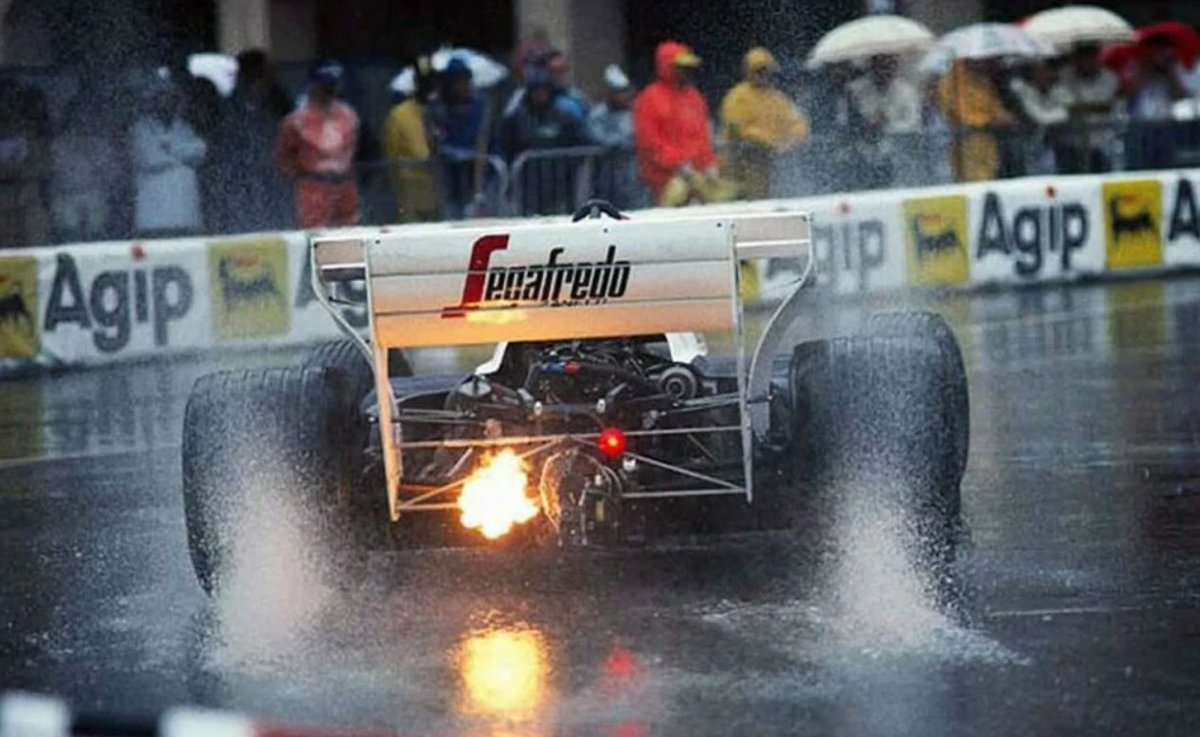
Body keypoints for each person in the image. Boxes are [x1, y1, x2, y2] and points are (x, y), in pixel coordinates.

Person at [210, 48, 294, 233]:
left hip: (274, 184)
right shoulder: (230, 109)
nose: (273, 76)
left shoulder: (279, 104)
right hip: (242, 186)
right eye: (268, 72)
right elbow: (225, 150)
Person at [633, 40, 722, 206]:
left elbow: (702, 138)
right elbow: (650, 142)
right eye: (682, 67)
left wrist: (710, 164)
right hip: (662, 182)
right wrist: (678, 164)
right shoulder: (649, 98)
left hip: (696, 180)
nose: (688, 72)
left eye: (689, 67)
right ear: (668, 67)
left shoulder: (695, 97)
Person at [275, 60, 360, 229]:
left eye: (333, 85)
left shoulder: (349, 115)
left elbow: (357, 149)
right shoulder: (296, 120)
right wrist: (301, 178)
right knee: (316, 236)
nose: (330, 90)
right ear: (314, 85)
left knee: (351, 234)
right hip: (314, 185)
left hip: (345, 184)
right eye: (325, 85)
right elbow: (283, 157)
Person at [719, 46, 809, 200]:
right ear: (747, 71)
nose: (763, 74)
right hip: (745, 166)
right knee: (755, 203)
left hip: (777, 163)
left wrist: (791, 142)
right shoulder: (736, 97)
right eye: (758, 70)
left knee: (783, 198)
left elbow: (798, 123)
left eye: (766, 70)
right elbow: (737, 130)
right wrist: (771, 143)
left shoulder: (779, 98)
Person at [130, 74, 207, 237]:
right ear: (154, 101)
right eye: (163, 98)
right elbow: (150, 159)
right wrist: (183, 156)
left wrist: (169, 148)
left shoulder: (184, 127)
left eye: (172, 99)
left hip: (186, 215)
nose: (168, 103)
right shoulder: (141, 129)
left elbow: (200, 151)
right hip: (154, 217)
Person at [501, 67, 585, 214]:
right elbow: (508, 146)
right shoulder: (517, 118)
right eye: (536, 91)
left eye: (543, 90)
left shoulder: (563, 116)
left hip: (560, 181)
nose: (540, 95)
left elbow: (579, 141)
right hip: (529, 183)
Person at [426, 57, 491, 219]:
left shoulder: (479, 105)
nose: (462, 85)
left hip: (477, 171)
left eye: (465, 80)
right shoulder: (438, 108)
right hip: (451, 174)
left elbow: (485, 136)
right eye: (457, 81)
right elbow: (435, 138)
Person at [50, 95, 121, 242]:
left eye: (85, 114)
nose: (81, 119)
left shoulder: (101, 145)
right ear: (69, 117)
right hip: (66, 204)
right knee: (69, 242)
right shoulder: (58, 145)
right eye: (77, 114)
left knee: (95, 244)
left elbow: (113, 175)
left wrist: (101, 177)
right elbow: (53, 176)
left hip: (95, 205)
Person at [937, 58, 1017, 182]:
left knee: (990, 173)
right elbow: (954, 112)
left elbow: (993, 104)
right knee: (975, 178)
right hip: (968, 138)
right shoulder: (951, 83)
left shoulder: (982, 80)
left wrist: (1003, 116)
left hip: (988, 138)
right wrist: (988, 119)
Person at [847, 54, 921, 186]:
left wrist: (887, 124)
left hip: (897, 153)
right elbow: (849, 121)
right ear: (871, 68)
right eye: (880, 66)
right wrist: (867, 125)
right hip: (862, 153)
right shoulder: (855, 90)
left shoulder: (907, 92)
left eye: (888, 66)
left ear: (895, 68)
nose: (884, 70)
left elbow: (913, 123)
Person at [382, 55, 439, 222]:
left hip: (437, 197)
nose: (430, 87)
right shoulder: (400, 115)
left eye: (433, 81)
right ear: (415, 83)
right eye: (425, 82)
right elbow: (419, 153)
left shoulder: (439, 112)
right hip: (409, 199)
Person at [1124, 33, 1188, 169]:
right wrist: (1146, 69)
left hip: (1164, 123)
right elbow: (1128, 94)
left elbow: (1181, 94)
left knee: (1166, 165)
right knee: (1141, 166)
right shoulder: (1135, 65)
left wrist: (1169, 72)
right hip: (1141, 125)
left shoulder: (1171, 67)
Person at [587, 64, 645, 210]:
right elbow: (599, 139)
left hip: (633, 172)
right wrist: (622, 142)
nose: (624, 96)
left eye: (626, 91)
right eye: (619, 92)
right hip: (607, 172)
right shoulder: (598, 115)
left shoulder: (637, 113)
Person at [1056, 43, 1121, 173]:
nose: (1086, 61)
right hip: (1071, 143)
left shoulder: (1110, 77)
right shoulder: (1063, 76)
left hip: (1101, 143)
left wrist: (1081, 107)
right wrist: (1086, 107)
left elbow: (1106, 106)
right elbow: (1065, 106)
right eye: (1082, 56)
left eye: (1090, 56)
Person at [0, 81, 50, 248]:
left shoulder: (29, 133)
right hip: (4, 194)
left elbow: (41, 166)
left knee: (34, 228)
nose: (5, 106)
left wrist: (16, 173)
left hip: (27, 193)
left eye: (10, 101)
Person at [1009, 60, 1071, 175]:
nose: (1044, 74)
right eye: (1039, 71)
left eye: (1047, 70)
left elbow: (1068, 110)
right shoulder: (1024, 91)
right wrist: (1060, 113)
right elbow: (1040, 117)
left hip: (1051, 147)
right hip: (1024, 148)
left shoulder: (1058, 90)